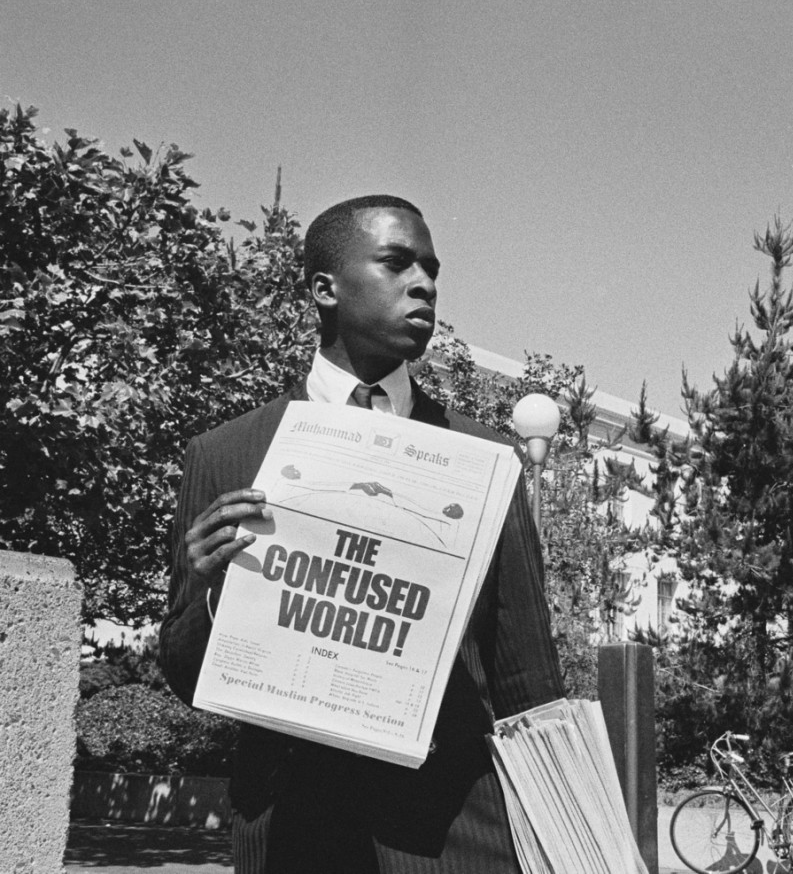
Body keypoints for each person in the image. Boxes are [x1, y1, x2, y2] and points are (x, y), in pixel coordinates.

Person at [159, 194, 565, 873]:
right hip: (290, 829)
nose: (425, 284)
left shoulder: (485, 458)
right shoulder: (227, 454)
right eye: (397, 263)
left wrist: (561, 830)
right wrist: (205, 586)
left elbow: (528, 675)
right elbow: (186, 672)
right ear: (326, 288)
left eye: (432, 269)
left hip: (453, 833)